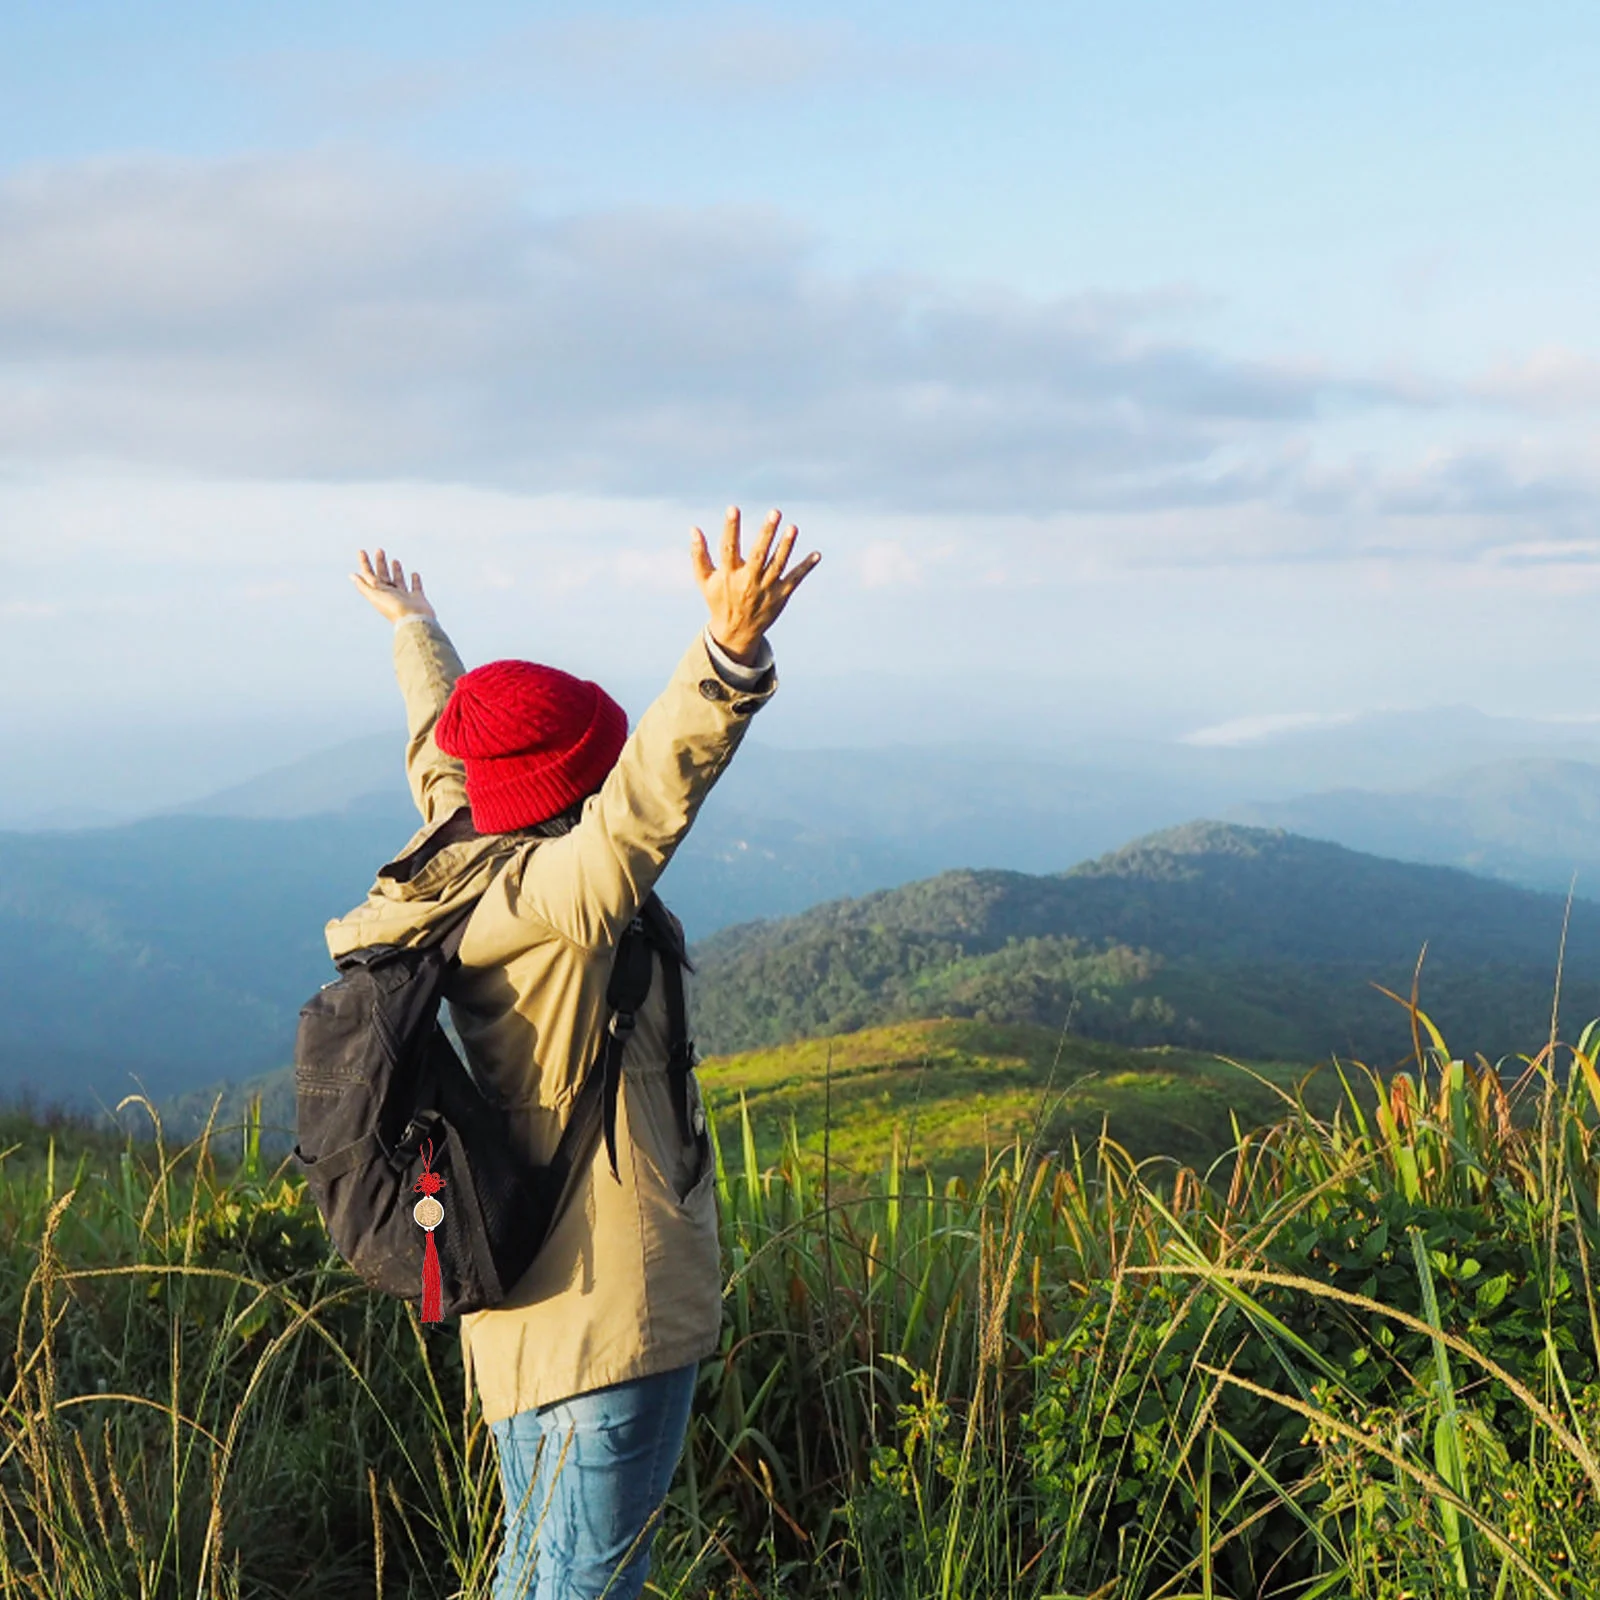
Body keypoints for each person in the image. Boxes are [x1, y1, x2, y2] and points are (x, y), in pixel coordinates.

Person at [334, 508, 820, 1600]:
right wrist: (726, 658)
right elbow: (652, 797)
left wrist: (416, 628)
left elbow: (444, 754)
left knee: (538, 1571)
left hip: (522, 1304)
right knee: (590, 1583)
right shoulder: (565, 898)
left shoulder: (467, 863)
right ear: (572, 794)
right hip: (615, 1301)